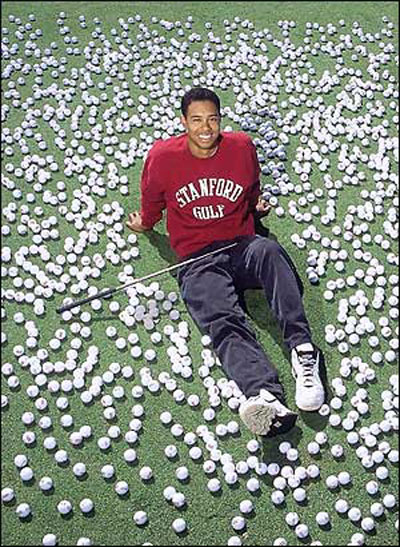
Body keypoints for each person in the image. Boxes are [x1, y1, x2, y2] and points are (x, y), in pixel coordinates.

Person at [126, 87, 325, 437]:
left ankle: (303, 351)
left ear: (221, 120)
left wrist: (254, 209)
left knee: (271, 253)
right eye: (196, 120)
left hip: (241, 245)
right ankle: (264, 395)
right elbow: (152, 199)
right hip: (197, 259)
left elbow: (251, 187)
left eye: (212, 119)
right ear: (183, 122)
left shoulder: (241, 147)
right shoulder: (162, 157)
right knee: (222, 319)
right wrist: (145, 221)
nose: (205, 128)